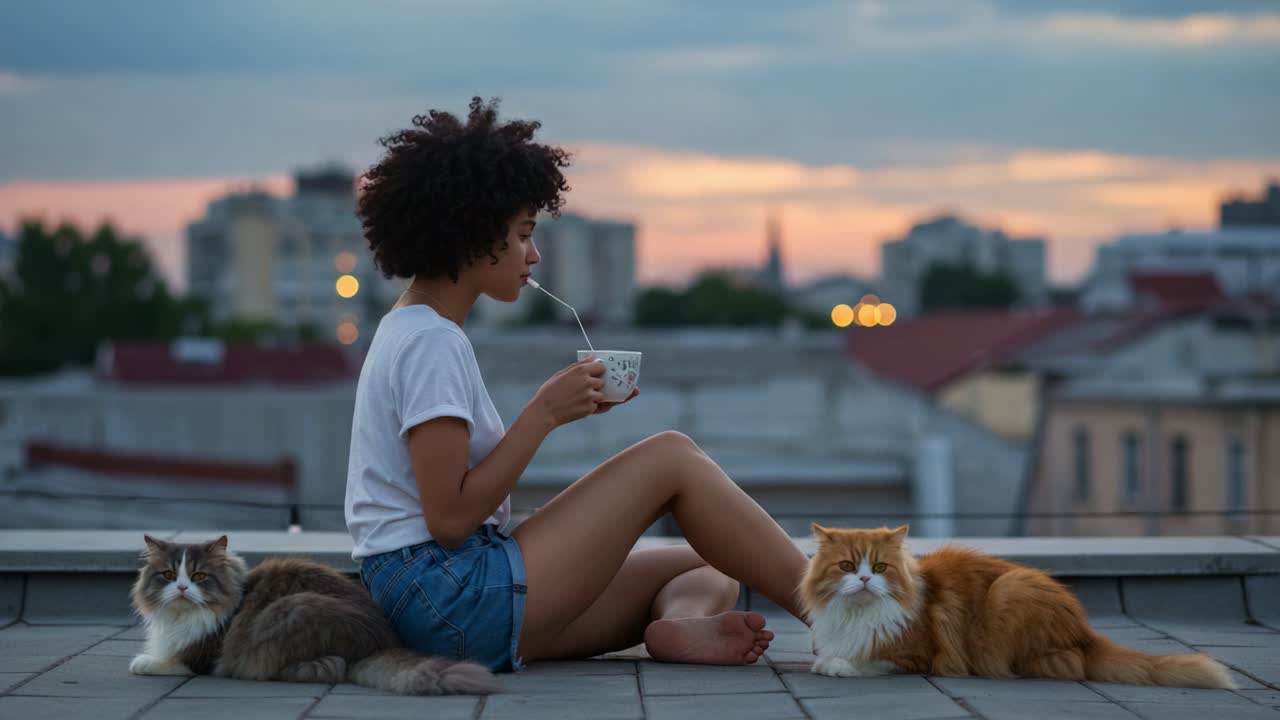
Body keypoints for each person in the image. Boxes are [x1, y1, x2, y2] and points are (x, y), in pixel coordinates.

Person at [345, 97, 810, 674]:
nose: (534, 255)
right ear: (470, 233)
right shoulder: (430, 341)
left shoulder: (410, 329)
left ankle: (682, 626)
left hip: (443, 599)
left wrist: (569, 508)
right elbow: (448, 520)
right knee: (672, 457)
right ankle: (852, 621)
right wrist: (544, 413)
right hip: (449, 599)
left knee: (717, 560)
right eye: (522, 234)